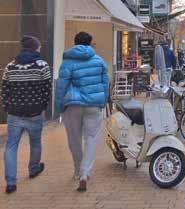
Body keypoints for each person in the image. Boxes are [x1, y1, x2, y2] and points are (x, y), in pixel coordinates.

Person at [55, 32, 109, 192]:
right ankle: (85, 173)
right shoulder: (99, 60)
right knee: (91, 139)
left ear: (75, 42)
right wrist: (103, 101)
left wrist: (58, 107)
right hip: (93, 105)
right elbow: (106, 83)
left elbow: (61, 86)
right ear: (90, 43)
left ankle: (78, 170)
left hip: (73, 105)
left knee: (74, 140)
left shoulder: (67, 61)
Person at [2, 36, 51, 194]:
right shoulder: (42, 66)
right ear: (35, 48)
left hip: (14, 113)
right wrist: (43, 106)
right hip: (35, 112)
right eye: (39, 46)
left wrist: (7, 107)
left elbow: (4, 90)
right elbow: (47, 89)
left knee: (11, 146)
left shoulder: (10, 66)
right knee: (35, 142)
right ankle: (33, 168)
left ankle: (10, 182)